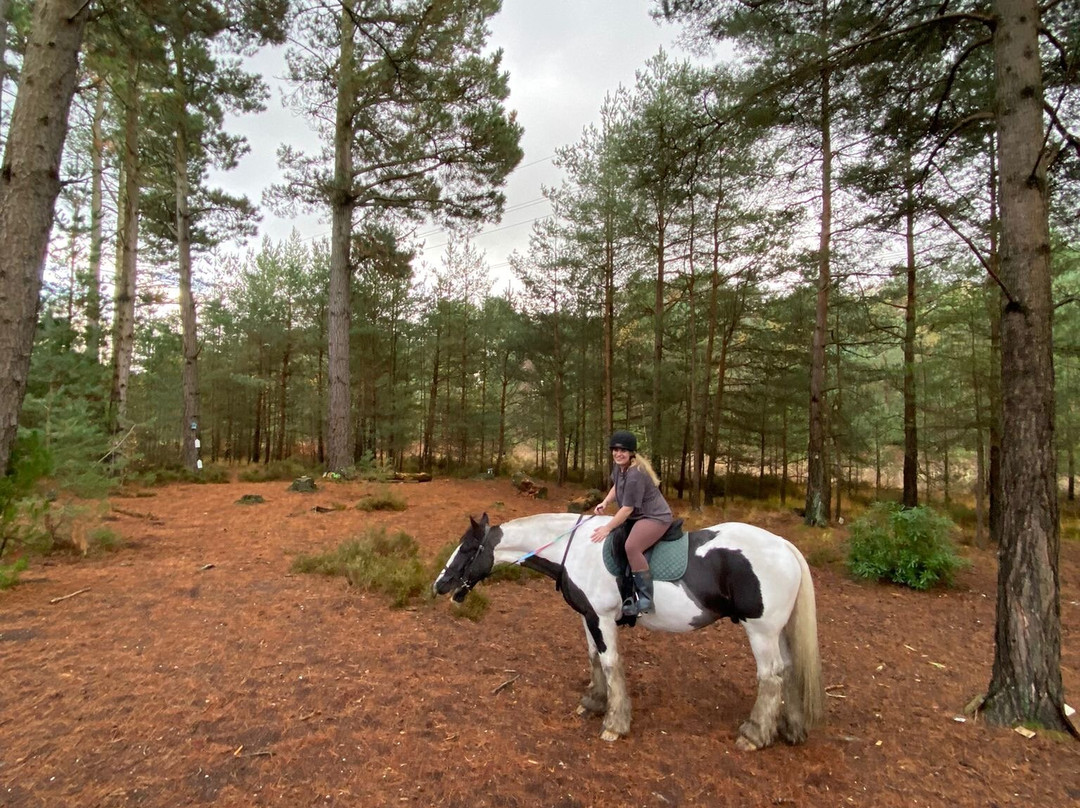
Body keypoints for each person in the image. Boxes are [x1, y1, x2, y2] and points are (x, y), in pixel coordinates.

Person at [590, 430, 673, 616]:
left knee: (632, 546)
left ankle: (645, 598)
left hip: (655, 517)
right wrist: (605, 502)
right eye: (615, 450)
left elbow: (626, 509)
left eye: (623, 450)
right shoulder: (620, 468)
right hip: (639, 516)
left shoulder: (636, 474)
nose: (618, 454)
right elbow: (616, 486)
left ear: (632, 453)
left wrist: (607, 527)